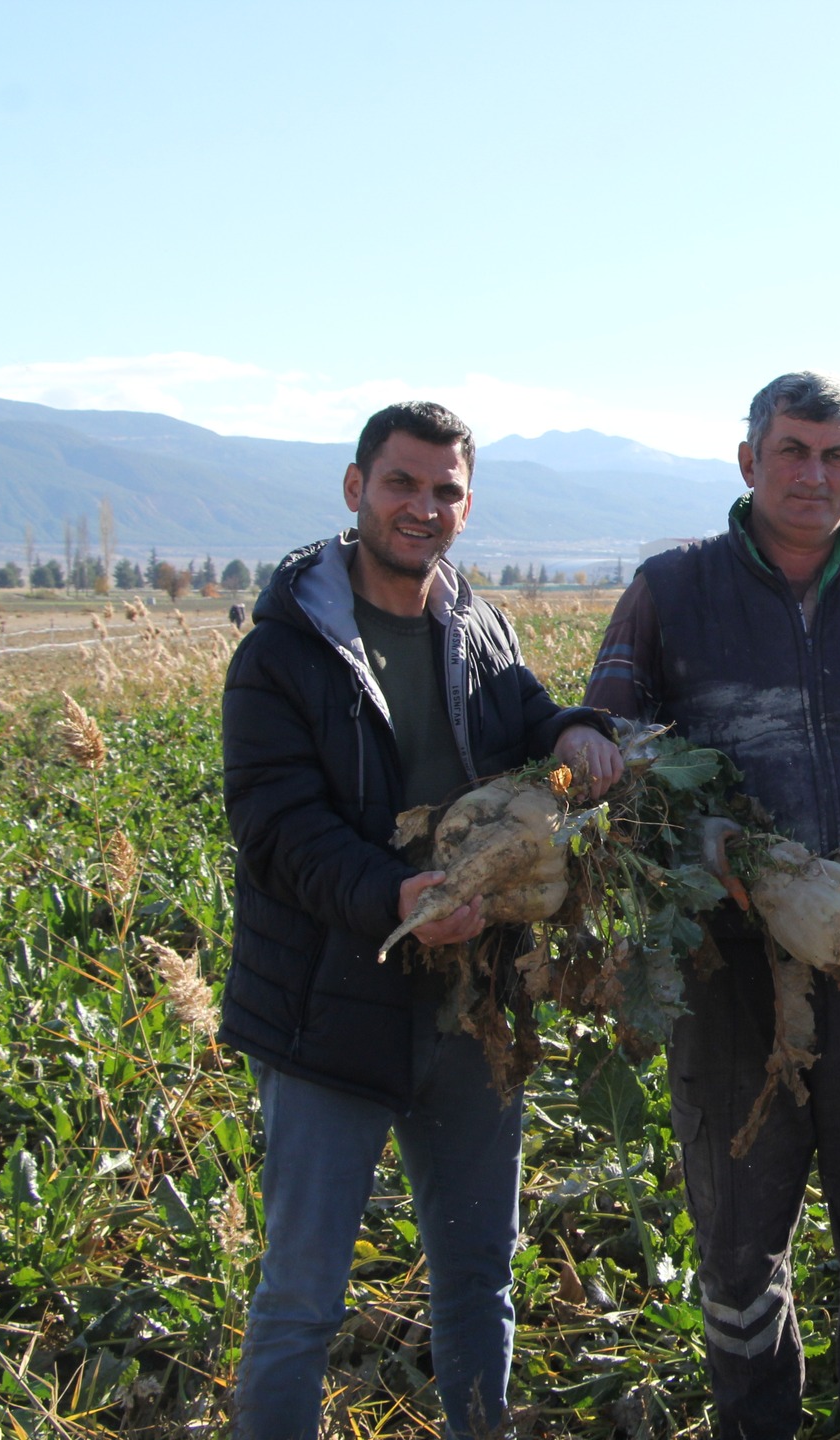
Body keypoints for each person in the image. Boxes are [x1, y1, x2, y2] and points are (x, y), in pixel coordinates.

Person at [582, 372, 840, 1439]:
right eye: (792, 450)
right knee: (737, 1226)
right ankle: (756, 1419)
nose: (813, 473)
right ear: (748, 460)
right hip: (723, 967)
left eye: (834, 455)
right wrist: (705, 848)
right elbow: (607, 760)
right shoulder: (671, 591)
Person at [219, 400, 622, 1439]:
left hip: (469, 1007)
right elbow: (276, 827)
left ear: (466, 507)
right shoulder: (283, 653)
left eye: (446, 490)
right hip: (329, 1011)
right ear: (356, 488)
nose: (423, 506)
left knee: (479, 1277)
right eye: (402, 482)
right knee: (302, 1297)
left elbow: (530, 717)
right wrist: (391, 900)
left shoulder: (477, 628)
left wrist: (576, 732)